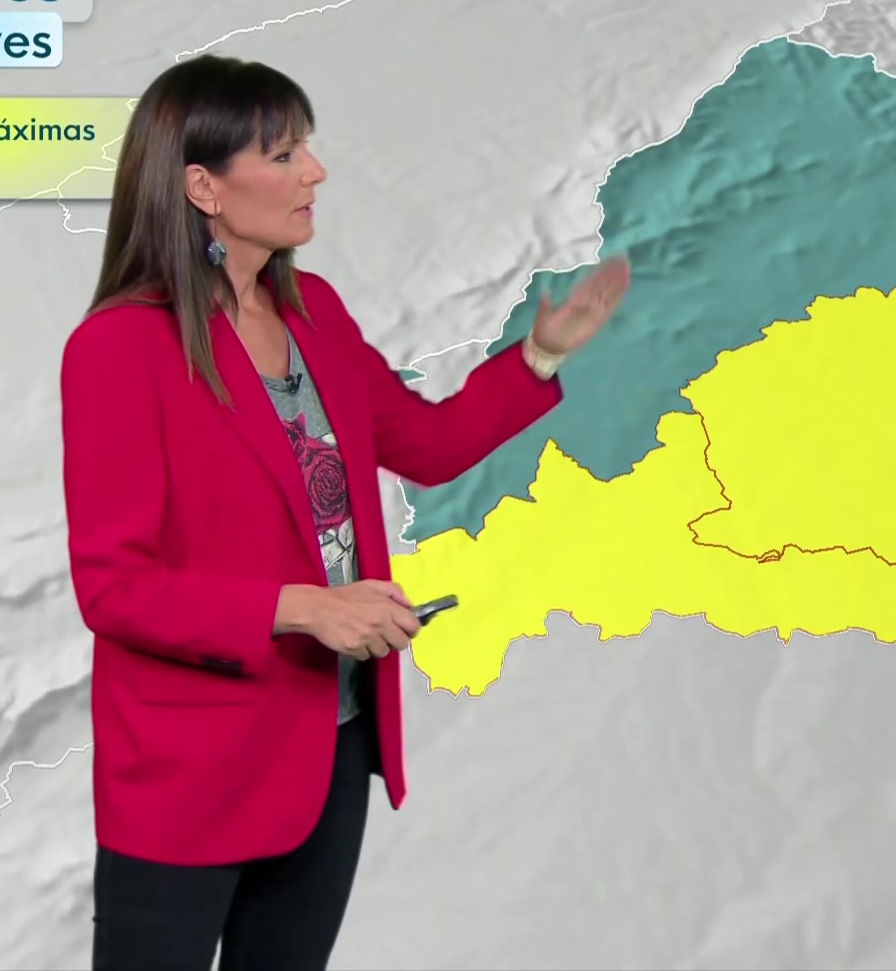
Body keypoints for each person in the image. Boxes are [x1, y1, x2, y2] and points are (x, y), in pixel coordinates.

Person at [60, 53, 630, 970]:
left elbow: (428, 444)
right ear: (203, 187)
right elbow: (115, 587)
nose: (314, 173)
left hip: (328, 743)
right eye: (284, 155)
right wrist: (303, 608)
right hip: (189, 775)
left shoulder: (314, 312)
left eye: (307, 150)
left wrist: (540, 358)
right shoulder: (120, 348)